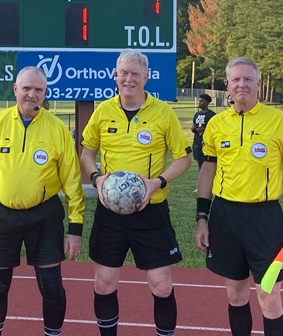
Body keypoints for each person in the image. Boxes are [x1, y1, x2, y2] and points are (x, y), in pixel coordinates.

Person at [0, 66, 85, 336]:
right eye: (26, 88)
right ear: (15, 89)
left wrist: (75, 229)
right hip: (0, 216)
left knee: (51, 286)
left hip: (44, 216)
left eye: (38, 90)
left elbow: (73, 183)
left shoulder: (58, 131)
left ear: (45, 93)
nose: (32, 94)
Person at [80, 49, 191, 336]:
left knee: (162, 285)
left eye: (134, 73)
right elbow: (86, 152)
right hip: (111, 212)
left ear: (146, 76)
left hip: (151, 212)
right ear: (115, 75)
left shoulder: (163, 113)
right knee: (103, 283)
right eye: (123, 73)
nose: (128, 79)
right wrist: (97, 178)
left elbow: (183, 158)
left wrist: (158, 182)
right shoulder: (103, 111)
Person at [194, 57, 283, 336]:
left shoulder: (277, 120)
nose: (241, 84)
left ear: (258, 83)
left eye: (247, 79)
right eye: (236, 80)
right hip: (225, 217)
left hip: (264, 218)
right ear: (227, 85)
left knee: (269, 297)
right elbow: (207, 171)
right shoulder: (216, 124)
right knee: (235, 295)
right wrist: (201, 218)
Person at [191, 93, 215, 171]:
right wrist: (194, 129)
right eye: (199, 101)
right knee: (199, 164)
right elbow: (194, 126)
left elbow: (215, 129)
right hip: (197, 142)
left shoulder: (212, 115)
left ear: (207, 103)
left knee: (208, 165)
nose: (199, 103)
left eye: (202, 101)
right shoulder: (197, 114)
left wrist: (204, 130)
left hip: (207, 143)